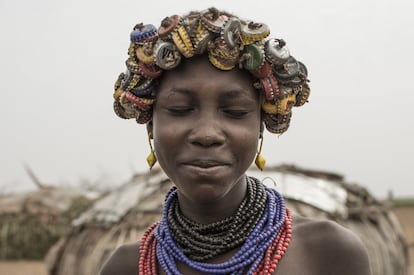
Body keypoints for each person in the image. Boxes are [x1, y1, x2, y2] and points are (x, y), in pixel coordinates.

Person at [101, 7, 371, 275]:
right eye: (180, 109)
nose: (207, 134)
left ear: (261, 126)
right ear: (151, 124)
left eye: (235, 112)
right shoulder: (126, 267)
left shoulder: (328, 254)